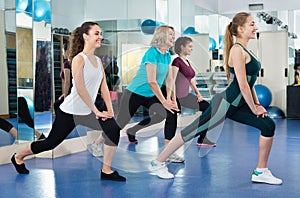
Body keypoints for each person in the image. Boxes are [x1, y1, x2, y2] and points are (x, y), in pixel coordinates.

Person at [148, 12, 283, 185]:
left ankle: (260, 171)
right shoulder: (237, 50)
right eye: (252, 24)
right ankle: (158, 162)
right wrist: (255, 108)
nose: (255, 27)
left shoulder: (247, 49)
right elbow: (242, 85)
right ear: (240, 29)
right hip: (226, 103)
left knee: (268, 125)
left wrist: (256, 104)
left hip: (238, 103)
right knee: (192, 131)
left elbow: (250, 84)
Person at [11, 21, 126, 182]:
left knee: (113, 129)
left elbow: (104, 87)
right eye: (96, 33)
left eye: (101, 33)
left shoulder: (98, 61)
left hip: (87, 111)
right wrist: (97, 111)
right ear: (85, 36)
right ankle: (18, 156)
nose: (100, 36)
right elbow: (80, 88)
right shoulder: (79, 59)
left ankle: (106, 170)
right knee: (50, 143)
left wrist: (110, 109)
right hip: (70, 112)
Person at [125, 36, 215, 147]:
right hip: (176, 95)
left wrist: (198, 94)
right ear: (182, 47)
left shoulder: (187, 62)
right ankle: (167, 145)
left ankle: (201, 137)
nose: (192, 49)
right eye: (190, 46)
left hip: (185, 96)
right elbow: (171, 80)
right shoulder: (176, 61)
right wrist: (172, 99)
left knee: (208, 108)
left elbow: (190, 80)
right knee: (165, 117)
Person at [116, 25, 182, 163]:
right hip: (135, 92)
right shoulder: (152, 53)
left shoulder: (167, 55)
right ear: (162, 36)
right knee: (121, 123)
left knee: (170, 113)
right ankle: (98, 142)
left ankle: (167, 151)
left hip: (150, 94)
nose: (173, 37)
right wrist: (164, 101)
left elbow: (169, 79)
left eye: (173, 34)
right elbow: (152, 81)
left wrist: (171, 99)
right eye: (170, 34)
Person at [54, 41, 72, 112]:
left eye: (63, 51)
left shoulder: (67, 64)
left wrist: (65, 97)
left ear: (67, 51)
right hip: (73, 92)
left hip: (71, 92)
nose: (62, 53)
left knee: (56, 105)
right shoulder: (75, 63)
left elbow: (67, 82)